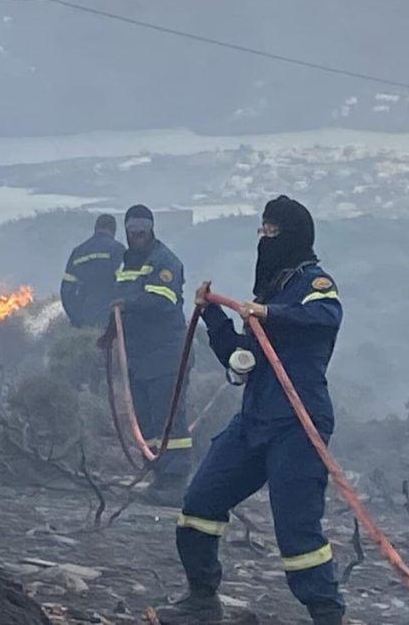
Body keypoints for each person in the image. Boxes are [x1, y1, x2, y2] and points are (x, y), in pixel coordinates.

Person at [156, 196, 346, 625]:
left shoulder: (314, 284)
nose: (264, 240)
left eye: (272, 232)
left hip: (297, 426)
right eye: (261, 232)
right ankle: (202, 599)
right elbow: (241, 361)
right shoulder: (270, 292)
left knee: (298, 534)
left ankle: (327, 615)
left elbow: (326, 318)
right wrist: (212, 318)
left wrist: (269, 313)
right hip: (254, 419)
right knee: (199, 504)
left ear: (293, 236)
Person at [102, 205, 193, 507]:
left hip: (168, 353)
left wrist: (129, 305)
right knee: (146, 421)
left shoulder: (164, 261)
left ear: (151, 229)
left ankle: (175, 481)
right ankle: (158, 475)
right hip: (140, 356)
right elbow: (118, 300)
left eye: (142, 230)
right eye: (132, 231)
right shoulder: (127, 263)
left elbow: (163, 300)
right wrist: (110, 333)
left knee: (168, 419)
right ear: (126, 232)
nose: (137, 235)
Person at [60, 214, 126, 328]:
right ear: (113, 230)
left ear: (95, 228)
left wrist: (76, 319)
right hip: (110, 319)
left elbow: (66, 291)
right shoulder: (117, 249)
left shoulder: (77, 252)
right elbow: (124, 284)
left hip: (85, 319)